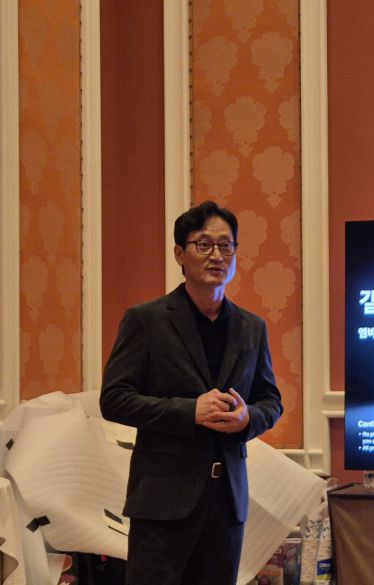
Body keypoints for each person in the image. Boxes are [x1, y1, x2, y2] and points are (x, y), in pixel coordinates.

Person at [100, 200, 283, 585]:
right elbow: (114, 399)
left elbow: (271, 402)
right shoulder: (146, 321)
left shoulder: (252, 327)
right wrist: (190, 411)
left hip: (227, 503)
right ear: (179, 254)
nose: (217, 255)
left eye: (226, 245)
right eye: (204, 245)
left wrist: (247, 418)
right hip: (162, 502)